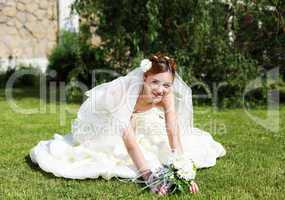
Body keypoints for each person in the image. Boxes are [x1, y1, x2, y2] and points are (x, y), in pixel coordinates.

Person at [29, 52, 226, 196]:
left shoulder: (167, 94)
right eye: (155, 82)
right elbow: (129, 140)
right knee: (112, 151)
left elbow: (173, 132)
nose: (160, 90)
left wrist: (185, 171)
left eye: (166, 84)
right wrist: (148, 175)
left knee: (164, 144)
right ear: (144, 78)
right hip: (105, 119)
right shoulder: (125, 91)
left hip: (134, 117)